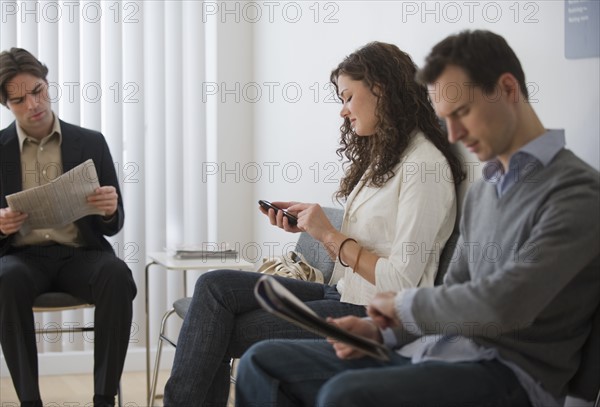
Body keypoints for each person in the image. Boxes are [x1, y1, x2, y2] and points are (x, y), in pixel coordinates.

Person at [234, 30, 600, 407]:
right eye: (446, 118)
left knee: (344, 396)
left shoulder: (577, 193)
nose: (455, 134)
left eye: (461, 113)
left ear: (507, 90)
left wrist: (401, 308)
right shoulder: (485, 192)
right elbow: (449, 294)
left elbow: (506, 304)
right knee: (261, 363)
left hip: (510, 375)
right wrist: (378, 331)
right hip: (434, 353)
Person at [163, 41, 464, 406]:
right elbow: (365, 242)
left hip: (370, 313)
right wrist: (313, 226)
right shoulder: (387, 158)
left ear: (380, 89)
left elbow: (399, 282)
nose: (343, 111)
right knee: (213, 286)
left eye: (348, 96)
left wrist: (330, 235)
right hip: (341, 292)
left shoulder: (424, 166)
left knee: (220, 329)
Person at [0, 48, 137, 407]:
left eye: (38, 91)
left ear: (47, 84)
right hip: (22, 258)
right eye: (19, 99)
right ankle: (30, 401)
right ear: (6, 104)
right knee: (4, 278)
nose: (33, 104)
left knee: (116, 274)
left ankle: (104, 398)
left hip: (81, 255)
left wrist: (109, 210)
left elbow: (114, 223)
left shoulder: (90, 142)